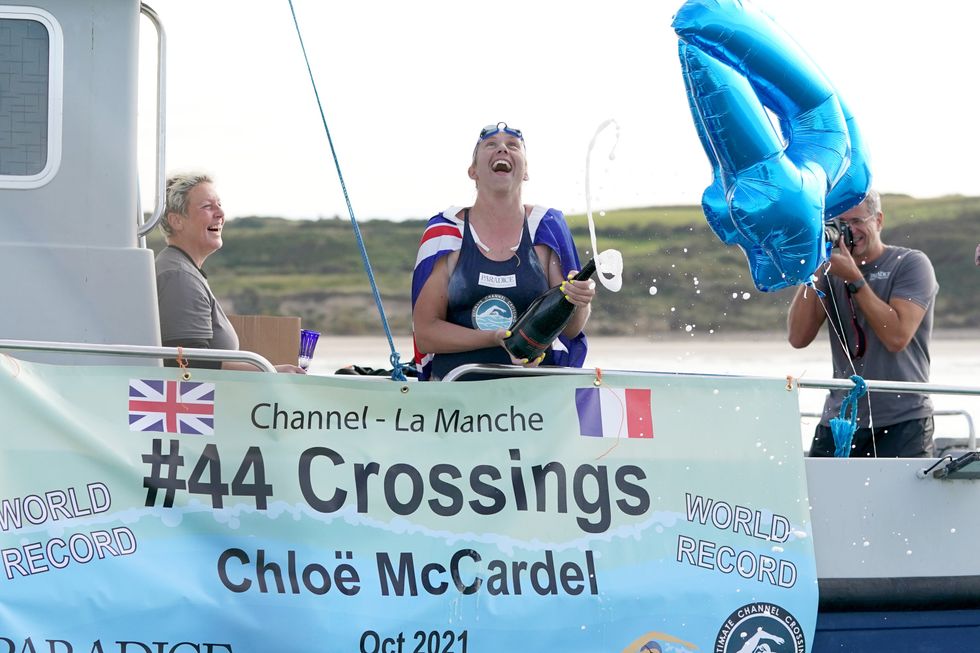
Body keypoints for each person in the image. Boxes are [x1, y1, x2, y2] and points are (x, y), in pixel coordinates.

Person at [411, 123, 595, 381]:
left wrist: (581, 301)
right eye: (491, 145)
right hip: (455, 401)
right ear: (473, 171)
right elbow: (426, 334)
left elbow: (571, 330)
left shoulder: (547, 227)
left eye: (512, 145)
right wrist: (494, 339)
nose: (502, 149)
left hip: (534, 405)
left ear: (526, 171)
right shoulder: (446, 232)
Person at [787, 189, 938, 457]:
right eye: (838, 224)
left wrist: (855, 279)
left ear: (878, 220)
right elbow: (798, 337)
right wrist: (817, 265)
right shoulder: (828, 270)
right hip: (840, 419)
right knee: (822, 499)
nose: (848, 231)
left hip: (903, 420)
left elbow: (897, 337)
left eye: (857, 221)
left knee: (899, 500)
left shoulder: (910, 263)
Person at [156, 172, 304, 373]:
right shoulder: (178, 276)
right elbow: (187, 364)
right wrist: (271, 372)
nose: (220, 213)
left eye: (219, 204)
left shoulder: (181, 269)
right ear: (176, 221)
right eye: (207, 206)